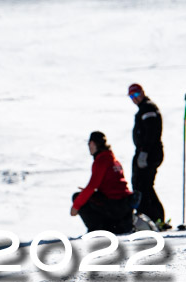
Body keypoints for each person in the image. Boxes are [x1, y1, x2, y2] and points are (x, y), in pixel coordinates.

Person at [71, 131, 134, 234]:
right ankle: (116, 226)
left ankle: (99, 230)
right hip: (125, 203)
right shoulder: (113, 159)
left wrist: (75, 206)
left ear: (92, 143)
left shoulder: (101, 160)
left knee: (77, 197)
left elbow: (92, 186)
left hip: (114, 204)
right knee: (89, 196)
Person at [128, 83, 168, 229]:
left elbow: (152, 131)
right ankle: (153, 219)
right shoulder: (144, 109)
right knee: (144, 185)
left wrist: (144, 151)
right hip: (146, 152)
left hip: (150, 153)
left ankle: (152, 219)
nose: (134, 99)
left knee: (143, 186)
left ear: (142, 93)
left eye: (136, 95)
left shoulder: (148, 108)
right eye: (131, 96)